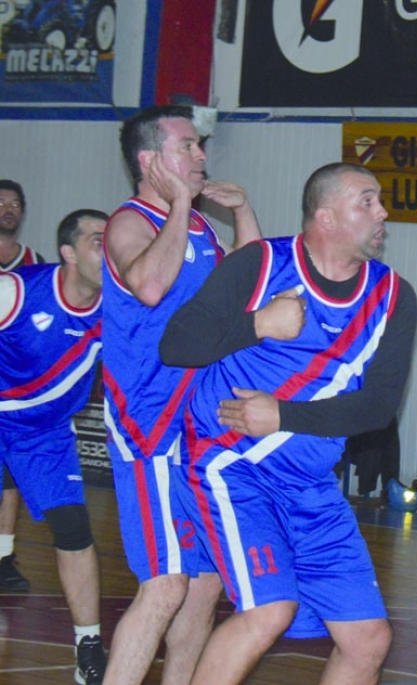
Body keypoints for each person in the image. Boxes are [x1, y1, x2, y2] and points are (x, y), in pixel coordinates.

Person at [158, 161, 417, 685]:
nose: (383, 213)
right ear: (326, 217)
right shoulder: (260, 264)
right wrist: (259, 324)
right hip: (229, 466)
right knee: (269, 610)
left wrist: (283, 416)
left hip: (309, 484)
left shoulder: (394, 296)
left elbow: (378, 407)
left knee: (368, 640)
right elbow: (177, 344)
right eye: (367, 201)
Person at [101, 104, 262, 685]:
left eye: (200, 146)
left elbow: (248, 286)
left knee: (204, 586)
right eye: (187, 146)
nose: (200, 155)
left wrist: (242, 212)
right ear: (150, 161)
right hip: (150, 422)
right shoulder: (129, 223)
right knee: (166, 585)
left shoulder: (199, 229)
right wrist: (178, 206)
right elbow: (149, 285)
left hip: (200, 422)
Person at [0, 209, 108, 684]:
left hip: (44, 435)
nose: (111, 250)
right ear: (68, 253)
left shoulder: (119, 308)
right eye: (98, 241)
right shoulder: (16, 291)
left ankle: (89, 646)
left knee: (74, 528)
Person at [0, 178, 45, 594]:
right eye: (1, 202)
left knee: (10, 478)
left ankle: (3, 557)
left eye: (15, 203)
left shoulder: (34, 263)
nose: (9, 209)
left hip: (13, 390)